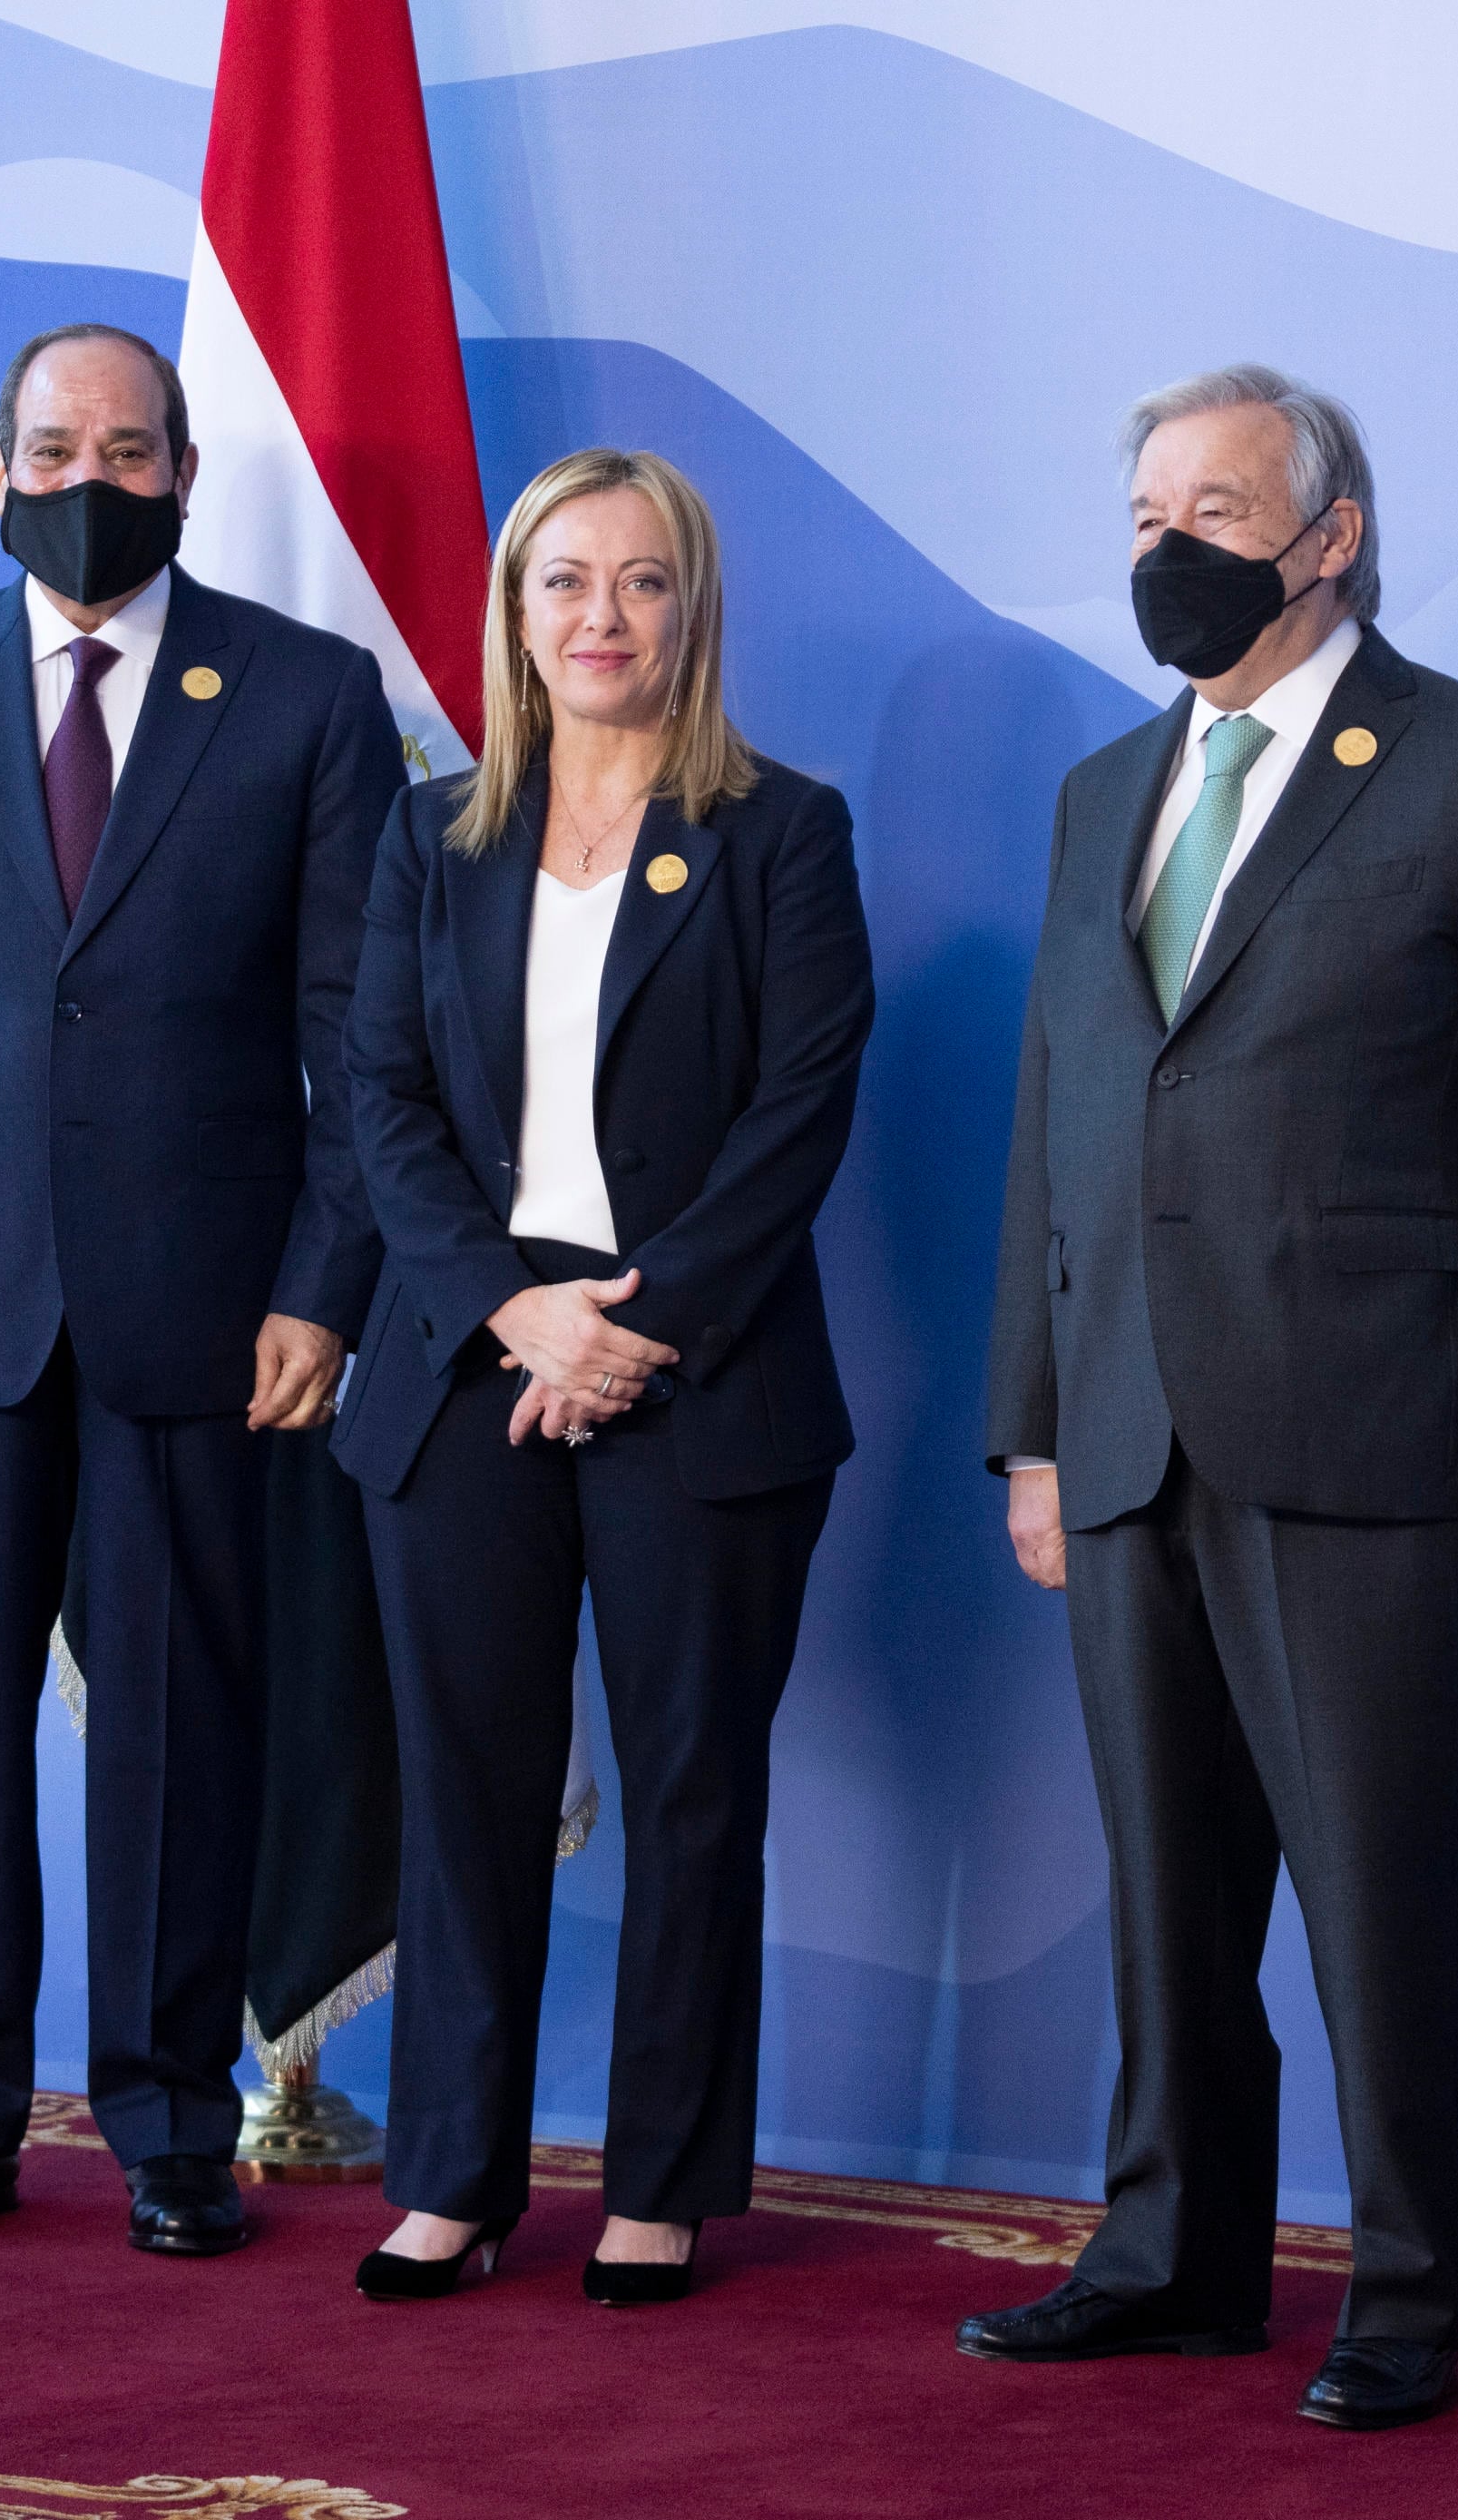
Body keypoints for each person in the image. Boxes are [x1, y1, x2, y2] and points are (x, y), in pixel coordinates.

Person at [964, 366, 1458, 2427]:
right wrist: (1039, 1427)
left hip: (1380, 1439)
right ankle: (1171, 2259)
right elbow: (1060, 1126)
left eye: (1218, 508)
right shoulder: (1102, 793)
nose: (1170, 547)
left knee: (1380, 1898)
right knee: (1167, 1901)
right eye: (1147, 506)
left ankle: (1408, 2292)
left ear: (1329, 534)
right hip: (1132, 1428)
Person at [0, 322, 403, 2257]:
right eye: (52, 448)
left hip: (213, 1306)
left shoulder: (307, 693)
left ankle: (175, 2122)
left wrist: (328, 1284)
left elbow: (358, 1032)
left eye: (126, 447)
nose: (86, 480)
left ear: (187, 470)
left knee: (183, 1723)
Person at [333, 447, 872, 2307]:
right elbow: (384, 1106)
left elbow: (802, 1112)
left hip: (699, 1367)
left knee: (690, 1787)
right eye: (565, 582)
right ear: (513, 610)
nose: (602, 619)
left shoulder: (782, 831)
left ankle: (660, 2184)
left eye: (642, 582)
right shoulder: (436, 836)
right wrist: (516, 1314)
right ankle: (454, 2180)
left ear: (693, 607)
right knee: (464, 1791)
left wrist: (627, 1331)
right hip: (469, 1358)